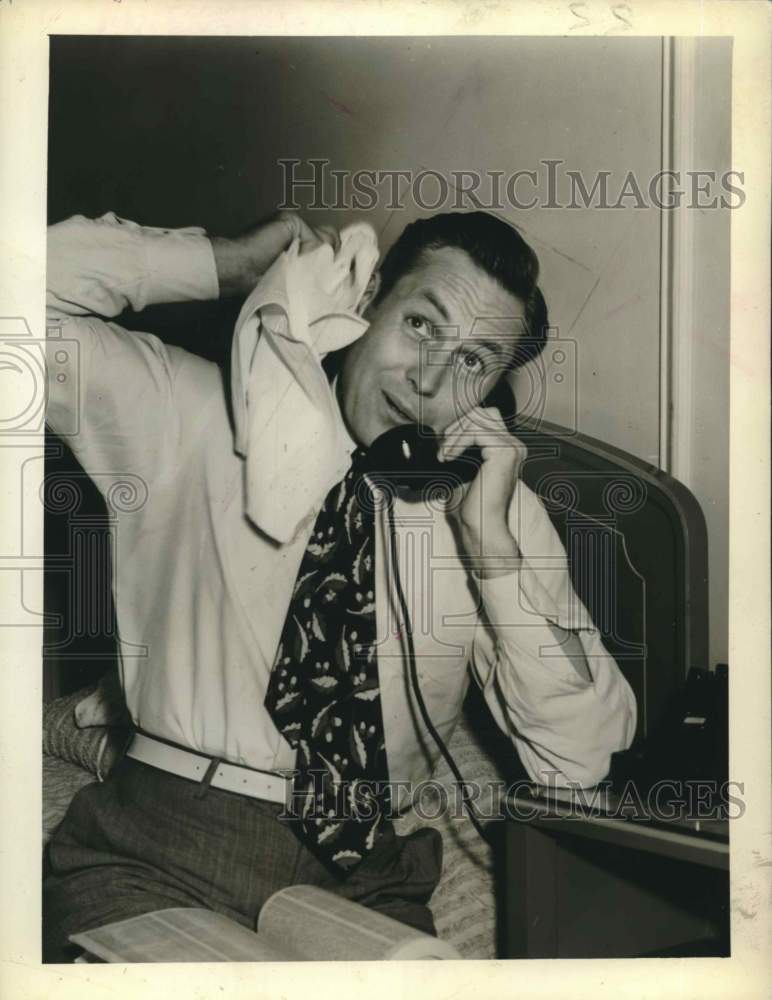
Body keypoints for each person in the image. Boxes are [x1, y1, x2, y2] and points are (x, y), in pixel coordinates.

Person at [42, 207, 636, 961]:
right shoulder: (187, 411)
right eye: (423, 325)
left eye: (474, 360)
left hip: (366, 877)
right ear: (369, 300)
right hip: (162, 849)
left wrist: (491, 548)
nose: (428, 380)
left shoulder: (491, 506)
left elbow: (580, 754)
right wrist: (225, 261)